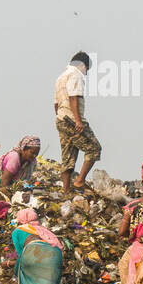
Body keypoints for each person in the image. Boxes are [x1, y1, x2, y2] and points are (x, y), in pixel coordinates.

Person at [54, 51, 102, 194]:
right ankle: (80, 181)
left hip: (61, 119)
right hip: (72, 119)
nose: (86, 73)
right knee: (94, 149)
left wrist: (61, 118)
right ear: (82, 65)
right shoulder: (76, 75)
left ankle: (66, 191)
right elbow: (74, 97)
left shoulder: (61, 77)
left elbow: (56, 104)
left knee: (68, 155)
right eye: (86, 69)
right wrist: (78, 121)